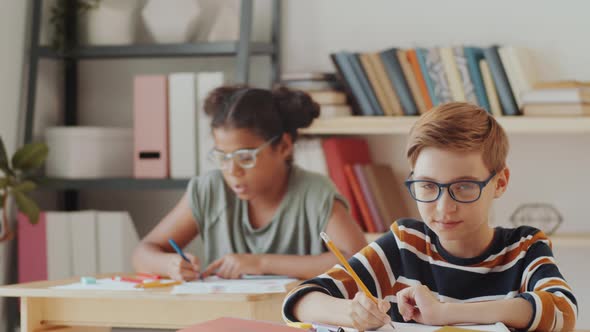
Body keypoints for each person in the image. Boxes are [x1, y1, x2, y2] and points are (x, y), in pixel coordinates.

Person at [283, 103, 577, 331]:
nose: (443, 207)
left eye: (463, 187)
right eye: (427, 186)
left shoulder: (524, 248)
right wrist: (351, 312)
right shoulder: (404, 245)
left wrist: (445, 313)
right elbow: (300, 300)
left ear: (499, 182)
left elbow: (563, 312)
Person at [132, 86, 367, 281]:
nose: (232, 171)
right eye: (222, 158)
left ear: (284, 146)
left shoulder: (315, 193)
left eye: (245, 157)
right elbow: (143, 253)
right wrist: (169, 264)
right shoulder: (209, 190)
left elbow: (359, 262)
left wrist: (261, 263)